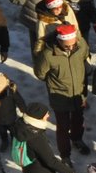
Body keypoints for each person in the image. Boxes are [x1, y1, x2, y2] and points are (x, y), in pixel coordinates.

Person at [33, 21, 88, 163]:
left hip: (78, 93)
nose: (71, 48)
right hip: (60, 96)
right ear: (59, 41)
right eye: (67, 45)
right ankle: (65, 155)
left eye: (73, 44)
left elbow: (84, 58)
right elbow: (40, 73)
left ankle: (77, 139)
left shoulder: (81, 45)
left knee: (78, 120)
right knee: (63, 126)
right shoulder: (48, 55)